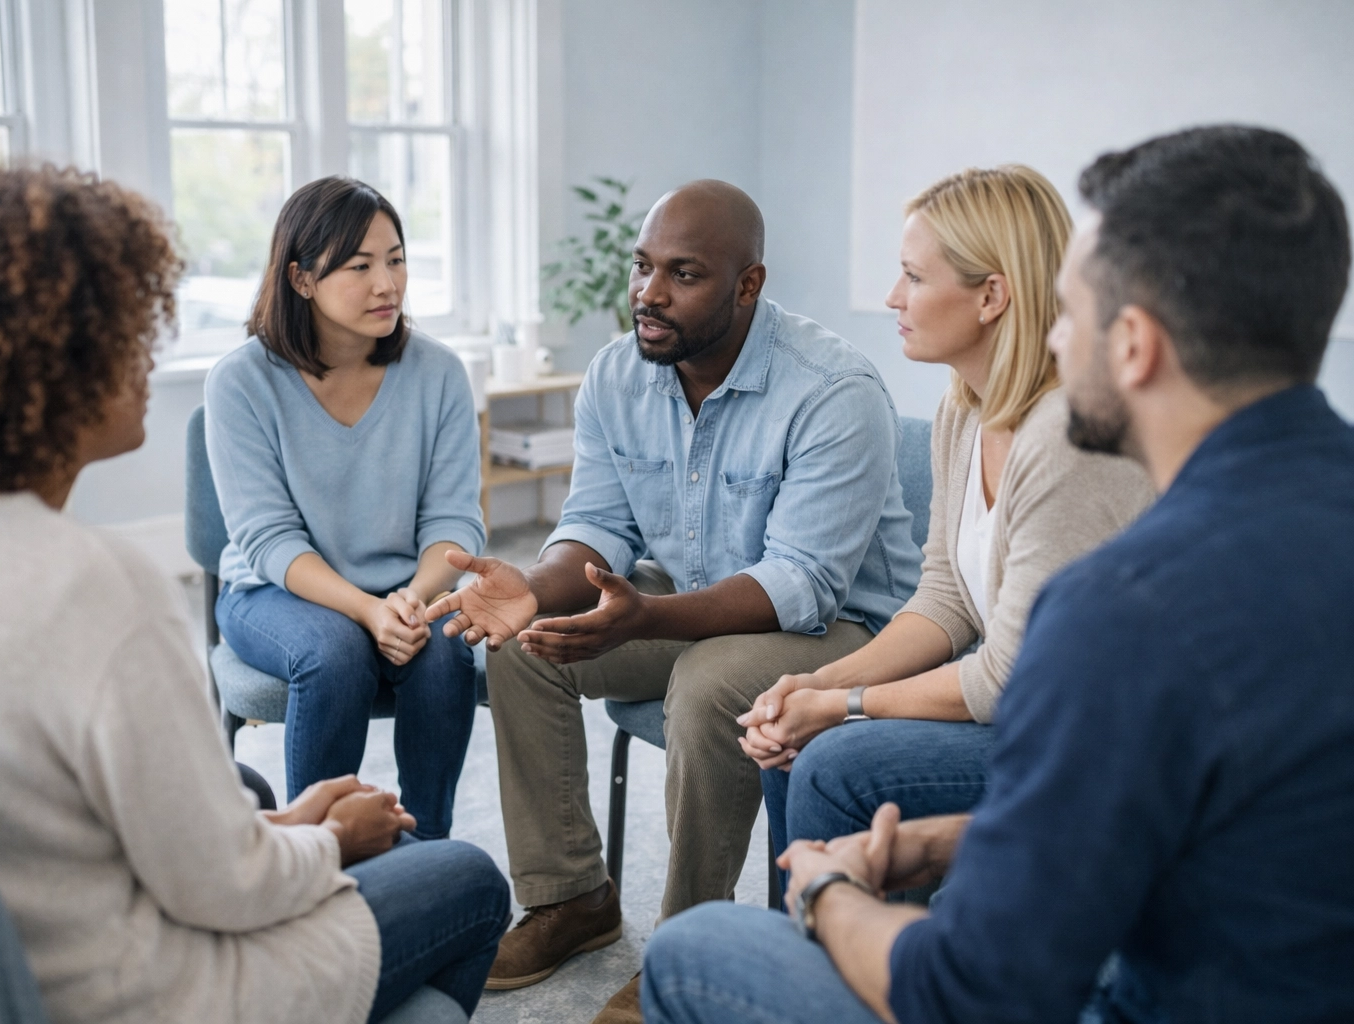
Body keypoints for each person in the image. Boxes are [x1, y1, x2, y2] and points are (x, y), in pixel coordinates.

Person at [640, 125, 1354, 1024]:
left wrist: (828, 898)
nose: (1053, 333)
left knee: (692, 950)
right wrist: (943, 841)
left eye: (1071, 309)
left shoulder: (1123, 610)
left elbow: (976, 987)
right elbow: (1205, 819)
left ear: (1132, 345)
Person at [0, 166, 510, 1024]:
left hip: (6, 963)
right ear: (49, 363)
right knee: (472, 882)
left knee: (260, 796)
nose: (149, 350)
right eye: (128, 326)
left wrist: (287, 822)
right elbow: (229, 888)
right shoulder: (98, 592)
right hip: (160, 990)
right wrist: (333, 839)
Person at [427, 179, 922, 1022]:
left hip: (847, 629)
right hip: (688, 594)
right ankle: (571, 899)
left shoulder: (833, 389)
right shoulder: (620, 374)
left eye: (683, 274)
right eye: (642, 267)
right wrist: (535, 587)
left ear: (748, 285)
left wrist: (648, 617)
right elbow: (595, 524)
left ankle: (684, 946)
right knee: (526, 643)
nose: (648, 294)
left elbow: (801, 582)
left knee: (709, 682)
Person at [741, 166, 1152, 862]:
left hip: (1097, 742)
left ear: (991, 295)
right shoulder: (962, 410)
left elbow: (1006, 678)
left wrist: (843, 705)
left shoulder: (1067, 437)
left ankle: (840, 944)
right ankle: (821, 946)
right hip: (1026, 711)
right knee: (798, 738)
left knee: (831, 759)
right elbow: (946, 597)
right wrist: (820, 685)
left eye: (914, 277)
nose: (892, 297)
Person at [207, 176, 485, 833]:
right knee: (336, 653)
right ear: (302, 279)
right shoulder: (240, 383)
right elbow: (266, 538)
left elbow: (454, 520)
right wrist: (365, 609)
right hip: (272, 591)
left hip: (403, 584)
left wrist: (413, 598)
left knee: (444, 651)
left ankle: (427, 852)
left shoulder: (438, 372)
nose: (387, 284)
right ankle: (316, 854)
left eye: (396, 259)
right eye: (360, 266)